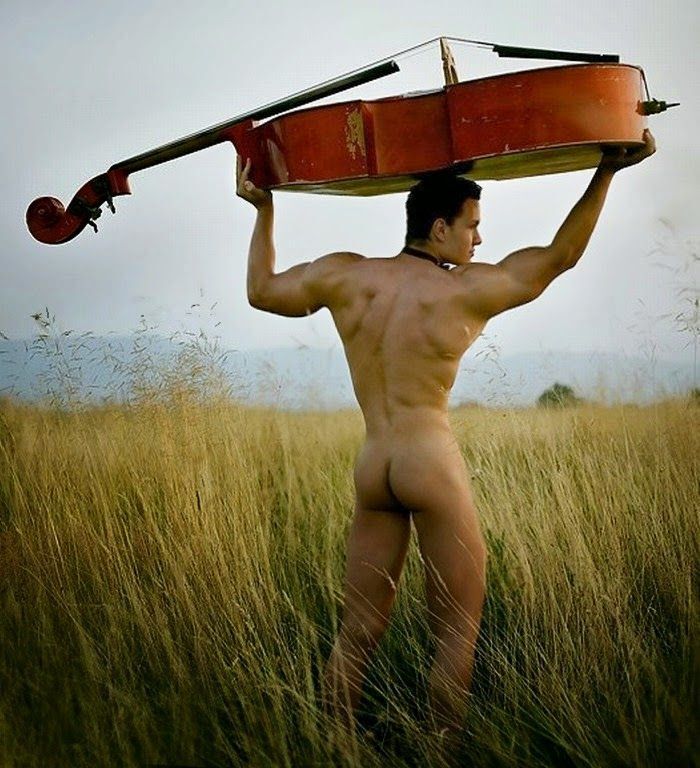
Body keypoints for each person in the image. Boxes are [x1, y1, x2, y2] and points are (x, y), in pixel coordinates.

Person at [234, 130, 656, 735]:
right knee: (457, 632)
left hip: (374, 465)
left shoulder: (345, 276)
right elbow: (559, 257)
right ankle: (439, 755)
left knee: (356, 631)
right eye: (472, 225)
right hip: (428, 462)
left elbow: (261, 291)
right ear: (439, 228)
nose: (478, 239)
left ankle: (334, 750)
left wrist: (264, 210)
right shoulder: (464, 290)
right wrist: (607, 171)